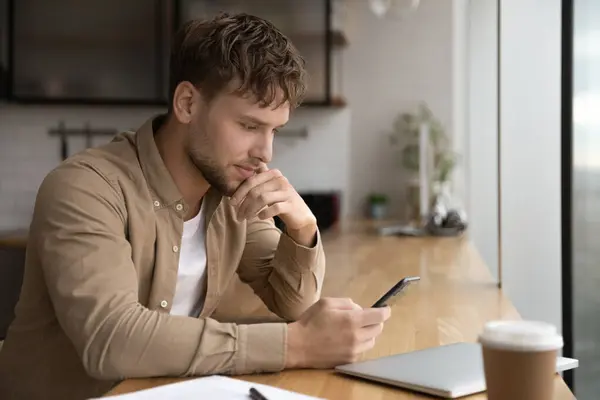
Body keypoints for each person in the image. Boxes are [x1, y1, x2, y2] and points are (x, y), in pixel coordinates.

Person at [0, 13, 391, 400]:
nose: (265, 152)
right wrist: (296, 345)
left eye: (274, 130)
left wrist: (303, 228)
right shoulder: (86, 187)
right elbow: (111, 340)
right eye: (249, 126)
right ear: (187, 103)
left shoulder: (230, 191)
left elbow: (294, 304)